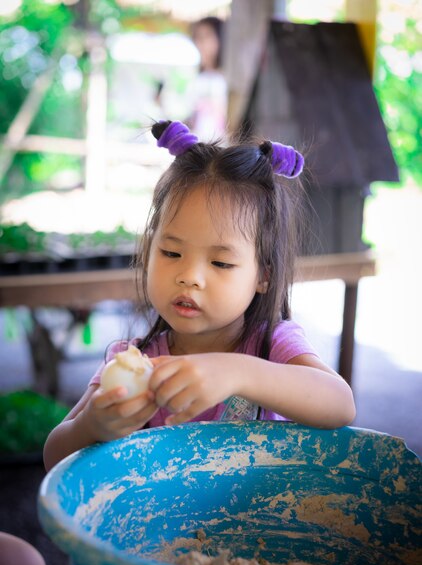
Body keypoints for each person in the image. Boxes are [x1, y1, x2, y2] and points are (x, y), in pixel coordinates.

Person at [43, 120, 355, 471]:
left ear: (264, 275)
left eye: (220, 262)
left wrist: (237, 371)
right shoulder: (132, 360)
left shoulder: (273, 345)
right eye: (171, 253)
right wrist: (92, 427)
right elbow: (54, 457)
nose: (189, 277)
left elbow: (341, 404)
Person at [188, 16, 227, 141]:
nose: (200, 43)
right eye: (197, 37)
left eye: (206, 37)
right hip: (200, 146)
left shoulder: (228, 77)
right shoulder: (199, 77)